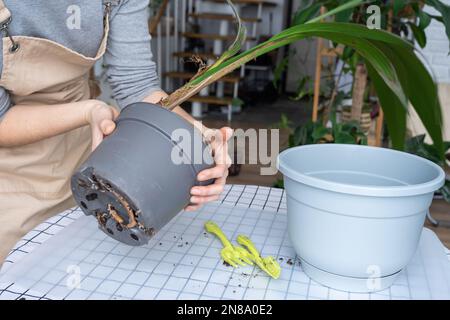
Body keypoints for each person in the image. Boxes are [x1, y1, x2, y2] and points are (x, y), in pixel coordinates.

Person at [0, 0, 231, 265]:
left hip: (91, 162)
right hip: (11, 178)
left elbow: (138, 83)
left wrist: (198, 139)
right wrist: (88, 112)